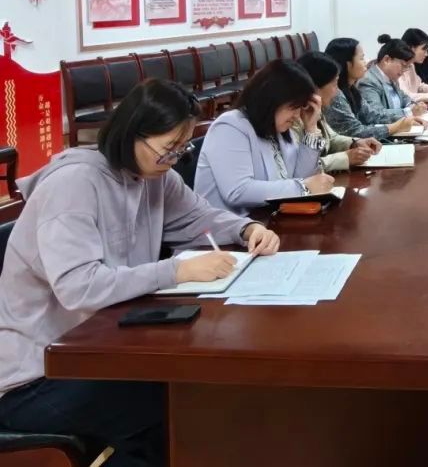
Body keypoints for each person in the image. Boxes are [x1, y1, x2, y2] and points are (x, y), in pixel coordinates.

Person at [0, 80, 279, 466]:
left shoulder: (154, 176)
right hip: (37, 376)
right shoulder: (73, 185)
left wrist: (245, 229)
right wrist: (176, 270)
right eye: (169, 148)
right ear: (133, 132)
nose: (174, 159)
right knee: (178, 402)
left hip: (101, 347)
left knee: (187, 392)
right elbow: (79, 287)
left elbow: (198, 217)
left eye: (182, 149)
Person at [195, 60, 335, 214]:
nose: (297, 116)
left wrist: (311, 128)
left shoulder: (276, 128)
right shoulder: (230, 126)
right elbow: (238, 191)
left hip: (266, 221)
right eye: (293, 107)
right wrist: (303, 187)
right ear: (272, 100)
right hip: (228, 225)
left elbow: (300, 177)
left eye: (300, 108)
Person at [295, 51, 382, 172]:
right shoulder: (293, 120)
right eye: (334, 84)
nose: (337, 92)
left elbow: (331, 139)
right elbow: (302, 169)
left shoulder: (314, 109)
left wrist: (355, 143)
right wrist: (345, 158)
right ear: (314, 88)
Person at [323, 38, 416, 140]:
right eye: (361, 58)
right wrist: (395, 127)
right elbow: (355, 131)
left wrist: (406, 118)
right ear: (347, 64)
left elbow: (372, 115)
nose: (365, 63)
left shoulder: (352, 90)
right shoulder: (335, 95)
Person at [360, 38, 427, 124]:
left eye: (407, 67)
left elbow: (404, 98)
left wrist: (415, 105)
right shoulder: (368, 81)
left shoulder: (391, 77)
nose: (404, 71)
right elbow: (376, 114)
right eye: (403, 65)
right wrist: (408, 112)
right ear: (387, 60)